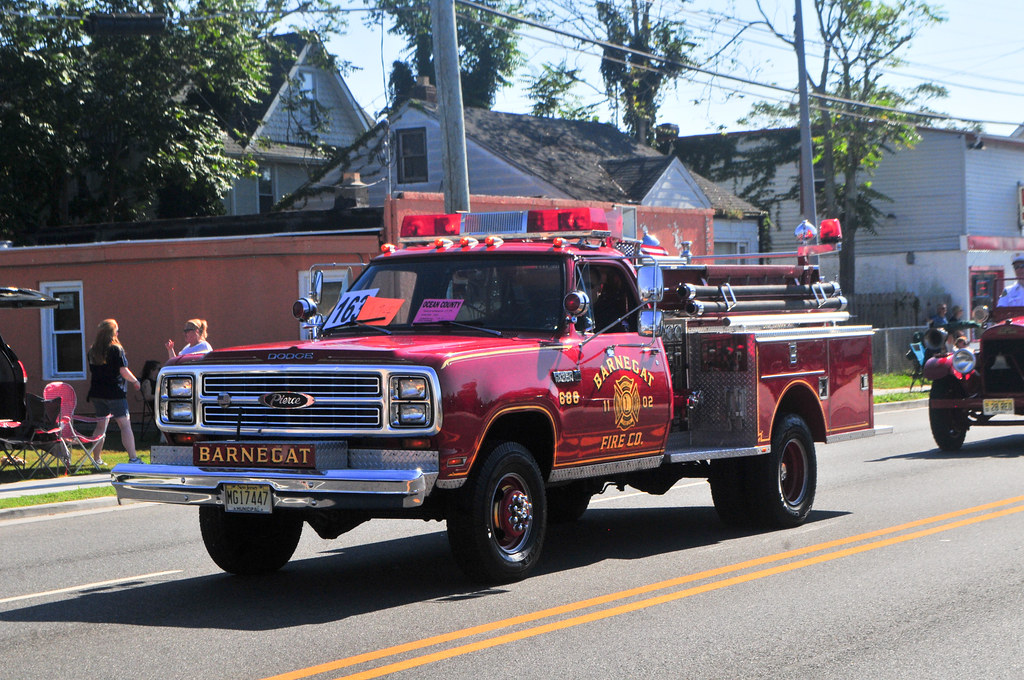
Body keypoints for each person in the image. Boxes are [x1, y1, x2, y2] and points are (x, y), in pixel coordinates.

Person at [87, 319, 142, 465]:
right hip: (114, 392)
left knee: (100, 426)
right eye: (117, 330)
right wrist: (135, 381)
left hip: (97, 393)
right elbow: (123, 371)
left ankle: (97, 459)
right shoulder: (116, 349)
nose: (118, 333)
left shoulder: (92, 351)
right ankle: (133, 458)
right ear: (113, 332)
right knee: (125, 425)